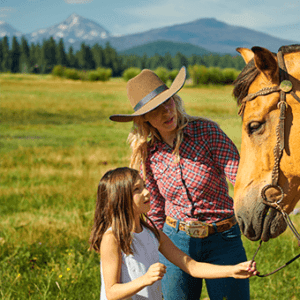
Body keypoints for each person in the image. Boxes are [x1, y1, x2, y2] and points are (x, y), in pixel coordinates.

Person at [108, 67, 251, 300]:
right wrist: (149, 248)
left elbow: (241, 178)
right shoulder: (148, 152)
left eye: (168, 102)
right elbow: (153, 208)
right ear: (144, 118)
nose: (166, 112)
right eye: (155, 109)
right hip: (175, 240)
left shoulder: (207, 132)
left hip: (223, 238)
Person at [89, 167, 257, 300]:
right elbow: (111, 292)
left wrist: (232, 270)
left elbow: (191, 266)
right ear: (120, 198)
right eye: (137, 189)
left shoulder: (153, 234)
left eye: (144, 186)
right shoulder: (112, 238)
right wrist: (145, 279)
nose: (147, 192)